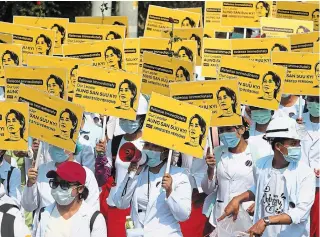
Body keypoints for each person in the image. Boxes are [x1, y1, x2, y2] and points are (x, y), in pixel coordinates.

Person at [219, 117, 315, 237]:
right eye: (293, 143)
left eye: (298, 143)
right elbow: (259, 188)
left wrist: (266, 221)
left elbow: (301, 212)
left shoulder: (305, 173)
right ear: (278, 146)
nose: (298, 147)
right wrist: (238, 199)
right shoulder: (260, 165)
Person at [95, 95, 148, 237]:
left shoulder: (150, 144)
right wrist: (100, 156)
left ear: (142, 119)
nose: (127, 121)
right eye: (124, 117)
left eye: (132, 118)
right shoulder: (115, 142)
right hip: (117, 205)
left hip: (142, 207)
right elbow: (103, 176)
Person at [114, 142, 192, 237]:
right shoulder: (139, 172)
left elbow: (183, 215)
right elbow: (120, 203)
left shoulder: (179, 175)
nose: (149, 150)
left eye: (155, 146)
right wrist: (132, 175)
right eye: (147, 145)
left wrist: (170, 192)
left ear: (165, 152)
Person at [21, 144, 99, 236]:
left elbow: (93, 212)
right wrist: (30, 184)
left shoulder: (86, 174)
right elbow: (29, 206)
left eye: (65, 185)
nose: (54, 147)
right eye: (54, 183)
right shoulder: (41, 170)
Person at [201, 118, 254, 230]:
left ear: (242, 129)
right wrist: (210, 169)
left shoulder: (256, 152)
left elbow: (263, 184)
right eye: (221, 130)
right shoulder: (217, 152)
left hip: (247, 217)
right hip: (221, 216)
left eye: (229, 129)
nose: (224, 133)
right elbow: (208, 189)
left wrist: (258, 203)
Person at [34, 161, 106, 237]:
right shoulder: (43, 214)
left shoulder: (94, 219)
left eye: (64, 184)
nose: (58, 188)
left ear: (80, 188)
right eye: (55, 183)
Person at [296, 95, 319, 237]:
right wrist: (295, 129)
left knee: (316, 225)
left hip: (318, 187)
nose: (315, 104)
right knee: (299, 224)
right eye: (312, 99)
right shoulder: (298, 120)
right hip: (299, 183)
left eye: (319, 100)